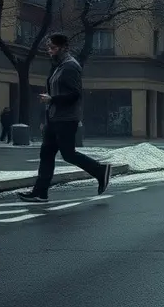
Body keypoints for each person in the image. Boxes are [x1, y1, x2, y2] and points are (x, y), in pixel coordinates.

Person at [18, 33, 111, 202]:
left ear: (64, 48)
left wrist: (52, 99)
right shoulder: (58, 66)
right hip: (54, 119)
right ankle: (40, 192)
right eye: (48, 47)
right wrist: (46, 114)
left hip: (67, 119)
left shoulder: (70, 67)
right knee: (46, 154)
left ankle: (101, 171)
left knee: (68, 154)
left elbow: (75, 94)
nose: (49, 51)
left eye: (53, 48)